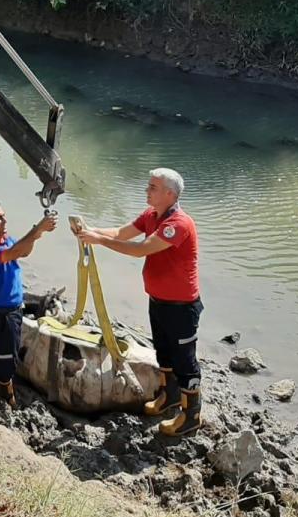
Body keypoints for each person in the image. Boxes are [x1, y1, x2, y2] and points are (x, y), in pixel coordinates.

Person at [74, 168, 202, 436]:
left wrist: (98, 240)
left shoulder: (178, 224)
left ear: (170, 194)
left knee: (185, 361)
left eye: (153, 187)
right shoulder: (151, 215)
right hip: (159, 300)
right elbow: (122, 233)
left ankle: (191, 415)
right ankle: (170, 396)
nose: (147, 190)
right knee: (163, 352)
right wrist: (90, 231)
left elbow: (140, 249)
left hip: (181, 307)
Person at [0, 201, 57, 408]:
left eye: (4, 216)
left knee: (5, 350)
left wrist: (38, 232)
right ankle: (5, 393)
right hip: (2, 313)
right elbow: (12, 253)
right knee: (8, 359)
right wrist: (37, 230)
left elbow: (23, 251)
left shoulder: (5, 240)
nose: (4, 221)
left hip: (14, 307)